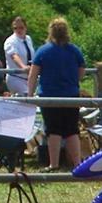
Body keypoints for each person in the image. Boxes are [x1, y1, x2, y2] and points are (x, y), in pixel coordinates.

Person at [27, 18, 86, 171]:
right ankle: (77, 164)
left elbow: (33, 75)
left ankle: (54, 164)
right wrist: (72, 81)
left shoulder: (43, 51)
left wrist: (30, 94)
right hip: (71, 96)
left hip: (50, 97)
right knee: (72, 130)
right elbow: (81, 72)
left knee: (53, 130)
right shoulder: (74, 50)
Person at [3, 16, 36, 95]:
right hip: (15, 77)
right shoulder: (10, 41)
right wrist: (23, 67)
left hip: (28, 78)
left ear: (26, 28)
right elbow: (14, 56)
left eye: (21, 28)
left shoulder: (28, 39)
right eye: (15, 28)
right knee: (28, 97)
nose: (18, 30)